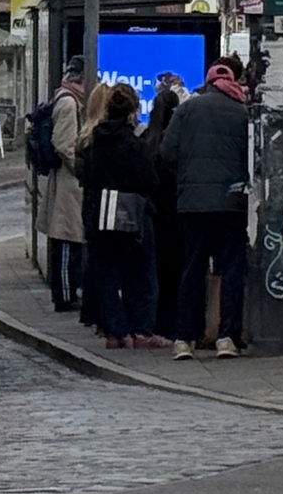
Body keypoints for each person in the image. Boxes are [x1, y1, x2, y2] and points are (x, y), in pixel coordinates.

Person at [160, 62, 252, 361]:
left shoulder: (187, 110)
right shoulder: (242, 112)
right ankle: (227, 336)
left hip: (193, 203)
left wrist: (187, 178)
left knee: (192, 269)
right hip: (231, 203)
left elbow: (167, 152)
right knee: (231, 270)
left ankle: (185, 338)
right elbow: (251, 159)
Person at [78, 84, 169, 349]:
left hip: (100, 218)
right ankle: (141, 330)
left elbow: (87, 177)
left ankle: (115, 333)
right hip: (134, 218)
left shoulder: (95, 143)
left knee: (106, 275)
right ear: (132, 111)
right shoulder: (135, 145)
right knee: (141, 275)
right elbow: (149, 182)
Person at [35, 55, 87, 313]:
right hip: (69, 182)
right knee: (67, 238)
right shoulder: (68, 103)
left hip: (67, 181)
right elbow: (64, 144)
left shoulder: (66, 98)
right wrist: (80, 170)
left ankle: (67, 293)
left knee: (69, 238)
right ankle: (64, 296)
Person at [141, 87, 182, 339]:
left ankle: (153, 322)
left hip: (152, 215)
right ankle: (171, 324)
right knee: (174, 273)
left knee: (153, 272)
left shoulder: (146, 139)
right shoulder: (175, 143)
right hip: (175, 215)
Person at [76, 82, 114, 329]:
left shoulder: (84, 137)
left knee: (95, 259)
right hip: (108, 205)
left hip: (90, 204)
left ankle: (91, 311)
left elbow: (82, 175)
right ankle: (103, 315)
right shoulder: (102, 137)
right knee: (108, 265)